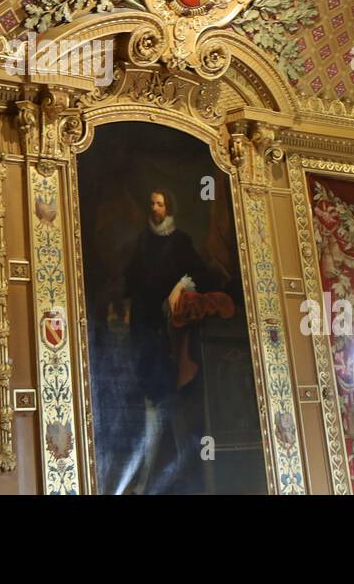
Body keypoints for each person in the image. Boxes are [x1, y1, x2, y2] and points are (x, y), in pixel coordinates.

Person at [116, 188, 233, 494]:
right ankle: (153, 473)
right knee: (150, 394)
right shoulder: (143, 240)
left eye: (160, 203)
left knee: (167, 396)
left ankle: (171, 471)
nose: (155, 208)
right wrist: (126, 305)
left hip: (166, 327)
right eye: (152, 203)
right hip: (143, 321)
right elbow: (131, 280)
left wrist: (181, 285)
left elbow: (201, 276)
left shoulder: (180, 241)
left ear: (169, 206)